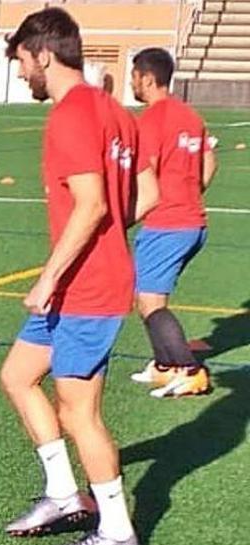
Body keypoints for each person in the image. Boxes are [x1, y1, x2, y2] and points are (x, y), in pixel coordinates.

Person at [0, 8, 153, 545]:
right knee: (18, 376)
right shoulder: (116, 111)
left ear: (43, 54)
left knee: (78, 412)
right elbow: (144, 196)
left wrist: (48, 277)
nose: (20, 74)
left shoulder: (70, 115)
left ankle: (116, 531)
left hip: (87, 289)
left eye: (20, 61)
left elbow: (90, 207)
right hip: (83, 282)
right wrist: (103, 233)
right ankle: (64, 494)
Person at [127, 47, 217, 398]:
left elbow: (143, 174)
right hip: (192, 222)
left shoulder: (149, 121)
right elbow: (209, 163)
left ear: (147, 79)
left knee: (150, 303)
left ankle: (191, 370)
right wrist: (191, 194)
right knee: (149, 298)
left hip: (167, 224)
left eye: (134, 75)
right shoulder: (191, 116)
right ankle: (165, 366)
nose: (132, 82)